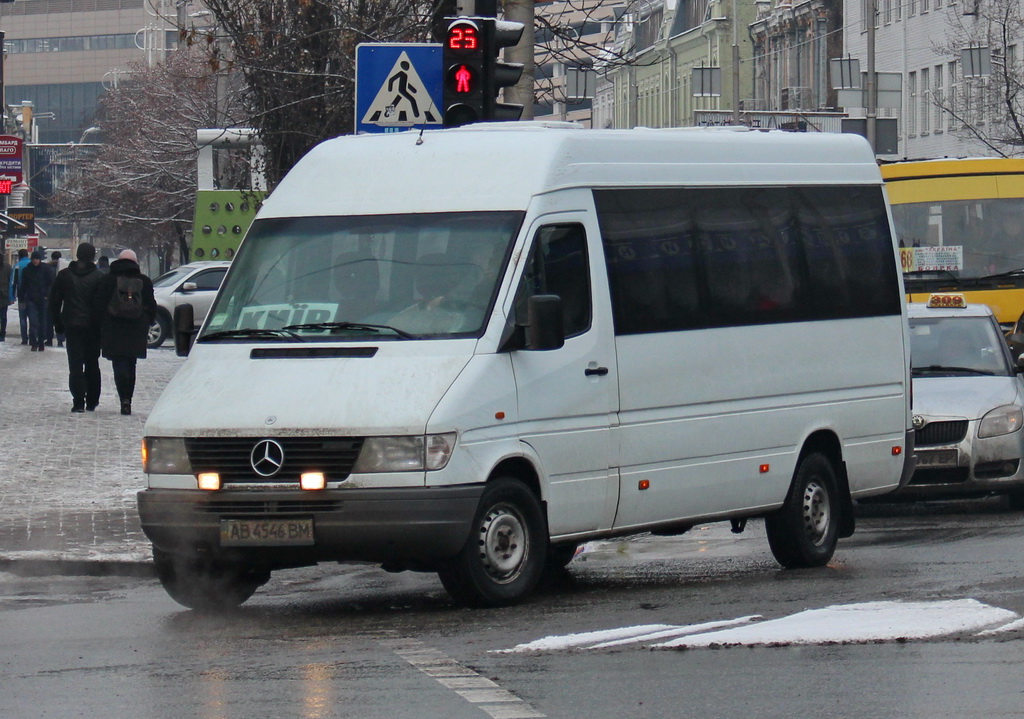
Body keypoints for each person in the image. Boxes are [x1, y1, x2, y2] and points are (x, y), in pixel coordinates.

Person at [93, 249, 155, 415]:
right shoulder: (144, 281)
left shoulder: (108, 280)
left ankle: (123, 398)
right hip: (136, 328)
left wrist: (102, 323)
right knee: (131, 363)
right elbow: (151, 305)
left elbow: (98, 304)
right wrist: (146, 321)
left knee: (118, 362)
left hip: (114, 327)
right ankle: (128, 398)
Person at [49, 243, 104, 412]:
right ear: (93, 256)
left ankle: (78, 401)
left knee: (75, 363)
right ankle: (92, 399)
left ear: (77, 255)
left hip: (72, 325)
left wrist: (58, 324)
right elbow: (103, 304)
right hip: (93, 327)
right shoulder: (99, 277)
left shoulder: (64, 275)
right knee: (92, 362)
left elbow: (54, 302)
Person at [18, 249, 55, 351]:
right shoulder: (27, 270)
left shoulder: (45, 269)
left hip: (43, 299)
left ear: (40, 260)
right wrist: (21, 297)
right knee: (33, 321)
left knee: (42, 321)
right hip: (31, 298)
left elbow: (51, 283)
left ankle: (41, 341)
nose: (35, 261)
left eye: (37, 259)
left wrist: (47, 294)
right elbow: (23, 285)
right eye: (34, 259)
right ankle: (34, 342)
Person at [45, 251, 69, 347]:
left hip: (49, 296)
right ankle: (60, 340)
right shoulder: (64, 269)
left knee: (49, 318)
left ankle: (49, 339)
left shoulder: (47, 268)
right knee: (60, 318)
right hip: (61, 296)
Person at [9, 248, 29, 344]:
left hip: (21, 296)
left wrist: (12, 296)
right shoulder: (32, 265)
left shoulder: (17, 266)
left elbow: (13, 282)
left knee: (22, 318)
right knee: (34, 317)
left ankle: (24, 339)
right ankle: (34, 336)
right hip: (33, 296)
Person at [0, 254, 10, 340]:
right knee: (3, 316)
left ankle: (2, 334)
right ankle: (2, 334)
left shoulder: (7, 267)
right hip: (4, 295)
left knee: (3, 316)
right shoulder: (7, 267)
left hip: (4, 296)